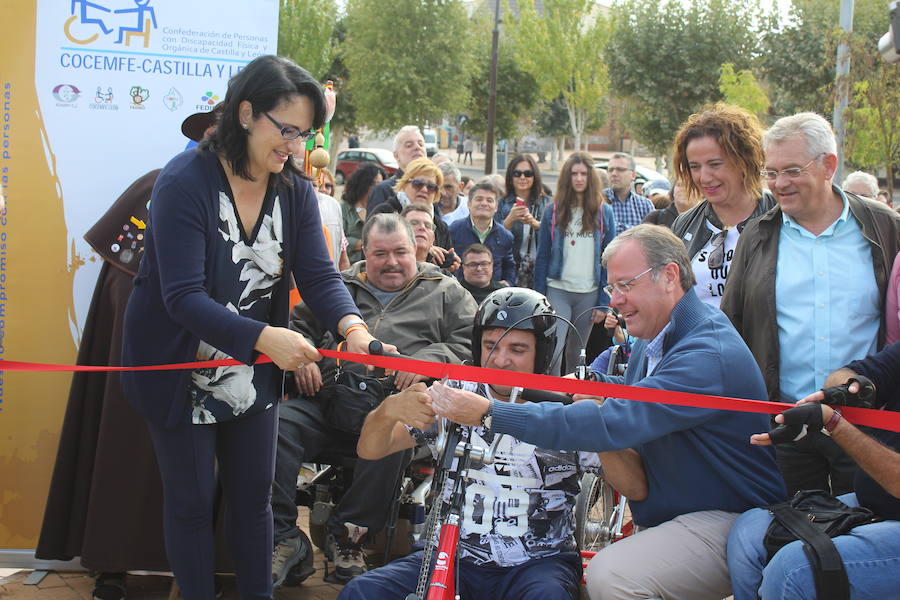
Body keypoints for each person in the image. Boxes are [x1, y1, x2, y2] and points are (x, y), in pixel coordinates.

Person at [119, 55, 387, 600]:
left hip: (253, 369)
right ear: (246, 113)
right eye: (285, 129)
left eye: (304, 133)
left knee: (254, 502)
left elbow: (318, 274)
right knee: (192, 504)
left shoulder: (292, 190)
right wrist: (268, 339)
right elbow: (183, 298)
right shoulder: (183, 181)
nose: (294, 146)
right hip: (179, 368)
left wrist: (353, 329)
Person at [443, 224, 787, 600]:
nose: (616, 301)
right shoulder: (656, 335)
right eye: (612, 288)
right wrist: (587, 382)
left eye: (626, 285)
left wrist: (490, 413)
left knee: (612, 575)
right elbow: (633, 394)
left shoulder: (706, 353)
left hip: (728, 519)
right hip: (682, 515)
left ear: (669, 276)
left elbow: (612, 420)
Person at [35, 108, 223, 600]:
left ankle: (195, 568)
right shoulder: (159, 184)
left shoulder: (252, 197)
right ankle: (111, 562)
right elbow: (126, 270)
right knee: (122, 437)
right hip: (146, 337)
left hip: (214, 347)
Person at [340, 287, 602, 600]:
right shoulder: (454, 393)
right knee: (361, 593)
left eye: (517, 350)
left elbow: (633, 487)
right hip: (449, 556)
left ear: (542, 353)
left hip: (537, 564)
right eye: (491, 346)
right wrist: (387, 411)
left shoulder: (566, 407)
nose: (501, 360)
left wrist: (600, 423)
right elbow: (370, 450)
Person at [271, 213, 477, 586]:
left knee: (398, 432)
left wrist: (428, 360)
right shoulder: (337, 288)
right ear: (364, 251)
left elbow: (471, 342)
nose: (392, 262)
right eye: (381, 254)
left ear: (418, 248)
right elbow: (293, 327)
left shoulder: (445, 291)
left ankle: (350, 537)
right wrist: (303, 357)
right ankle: (283, 536)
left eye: (401, 251)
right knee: (276, 426)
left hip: (396, 406)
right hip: (329, 400)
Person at [721, 112, 900, 497]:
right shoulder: (757, 235)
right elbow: (730, 323)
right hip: (785, 421)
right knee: (793, 537)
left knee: (865, 534)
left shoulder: (885, 227)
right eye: (771, 173)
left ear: (828, 166)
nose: (779, 184)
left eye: (791, 171)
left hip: (864, 426)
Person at [727, 342, 900, 600]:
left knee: (793, 569)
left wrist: (833, 423)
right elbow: (848, 374)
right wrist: (849, 388)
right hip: (873, 501)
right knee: (749, 532)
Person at [670, 103, 776, 308]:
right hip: (699, 340)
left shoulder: (780, 217)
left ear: (744, 161)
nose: (704, 177)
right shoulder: (684, 224)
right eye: (695, 167)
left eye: (715, 164)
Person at [534, 152, 616, 375]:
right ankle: (549, 398)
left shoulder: (603, 211)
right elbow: (542, 256)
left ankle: (570, 400)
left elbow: (609, 260)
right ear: (566, 178)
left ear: (591, 178)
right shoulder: (553, 211)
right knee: (554, 349)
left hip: (588, 293)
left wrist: (602, 302)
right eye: (574, 174)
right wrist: (539, 297)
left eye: (584, 174)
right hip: (557, 289)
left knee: (577, 353)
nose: (579, 178)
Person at [369, 156, 454, 256]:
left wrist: (448, 266)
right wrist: (423, 252)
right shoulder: (383, 214)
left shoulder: (440, 226)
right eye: (418, 184)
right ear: (404, 184)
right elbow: (374, 253)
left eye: (431, 187)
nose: (424, 190)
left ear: (436, 193)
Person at [496, 154, 551, 289]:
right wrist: (509, 220)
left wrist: (536, 224)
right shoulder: (501, 204)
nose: (522, 177)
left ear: (535, 176)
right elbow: (493, 238)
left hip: (541, 269)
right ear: (510, 177)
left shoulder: (547, 203)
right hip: (512, 269)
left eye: (528, 173)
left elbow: (556, 235)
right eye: (517, 173)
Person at [449, 180, 517, 286]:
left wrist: (508, 283)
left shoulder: (505, 236)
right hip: (460, 293)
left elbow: (509, 266)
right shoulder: (453, 230)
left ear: (496, 207)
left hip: (492, 296)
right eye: (479, 199)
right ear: (469, 204)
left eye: (489, 200)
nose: (484, 203)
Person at [366, 125, 426, 213]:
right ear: (396, 155)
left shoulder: (430, 188)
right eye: (409, 145)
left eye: (421, 144)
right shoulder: (383, 190)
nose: (417, 147)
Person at [340, 162, 385, 264]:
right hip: (350, 268)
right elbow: (338, 239)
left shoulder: (384, 208)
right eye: (373, 184)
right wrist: (361, 244)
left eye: (380, 184)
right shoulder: (344, 208)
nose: (377, 188)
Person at [603, 152, 654, 235]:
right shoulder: (596, 201)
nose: (614, 174)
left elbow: (652, 237)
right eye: (610, 170)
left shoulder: (645, 205)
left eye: (620, 170)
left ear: (633, 175)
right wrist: (637, 231)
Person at [400, 203, 460, 272]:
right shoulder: (389, 269)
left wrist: (445, 272)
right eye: (414, 223)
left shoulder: (445, 281)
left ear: (433, 239)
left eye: (428, 226)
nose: (422, 227)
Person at [314, 166, 350, 271]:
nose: (323, 189)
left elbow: (343, 258)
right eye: (318, 185)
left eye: (328, 186)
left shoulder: (334, 207)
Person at [435, 160, 469, 226]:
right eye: (438, 187)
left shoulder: (470, 209)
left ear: (460, 187)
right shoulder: (427, 210)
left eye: (448, 187)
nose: (443, 192)